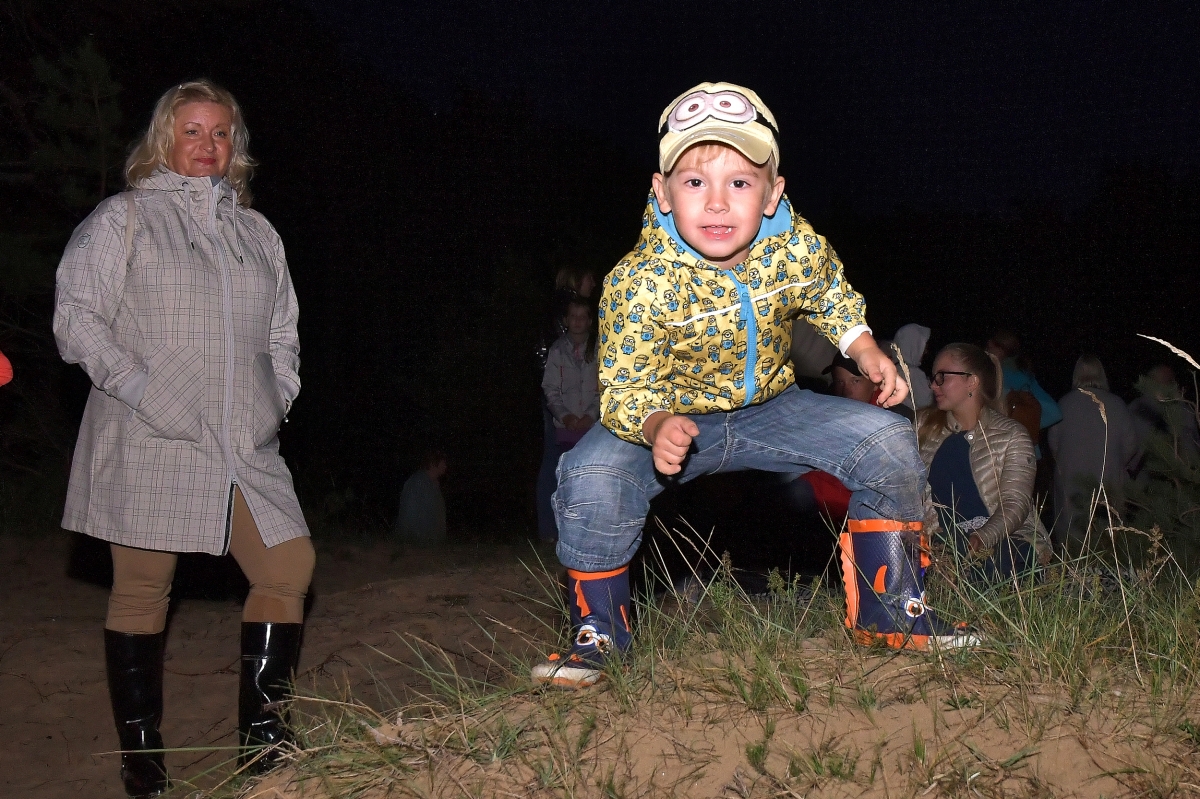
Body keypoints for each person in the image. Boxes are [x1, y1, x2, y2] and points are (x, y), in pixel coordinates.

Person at [533, 82, 976, 689]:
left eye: (740, 183)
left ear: (772, 194)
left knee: (887, 440)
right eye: (695, 182)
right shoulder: (638, 281)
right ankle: (599, 636)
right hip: (672, 417)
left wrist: (863, 346)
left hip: (773, 407)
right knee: (590, 472)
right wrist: (655, 424)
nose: (717, 203)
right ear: (661, 192)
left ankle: (892, 613)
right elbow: (626, 383)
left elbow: (830, 291)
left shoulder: (792, 246)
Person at [52, 80, 313, 796]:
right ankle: (144, 764)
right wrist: (140, 387)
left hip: (243, 441)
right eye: (192, 130)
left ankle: (263, 748)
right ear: (165, 138)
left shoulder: (258, 235)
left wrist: (276, 398)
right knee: (143, 587)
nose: (207, 144)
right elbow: (75, 316)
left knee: (288, 565)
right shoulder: (125, 219)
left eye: (220, 133)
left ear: (236, 147)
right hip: (147, 433)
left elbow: (283, 334)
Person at [917, 344, 1050, 584]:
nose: (933, 385)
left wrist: (982, 537)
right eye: (933, 377)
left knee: (1001, 561)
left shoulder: (1011, 435)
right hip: (942, 542)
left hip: (1003, 539)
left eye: (942, 377)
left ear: (972, 382)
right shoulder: (923, 427)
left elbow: (1015, 503)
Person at [1047, 356, 1138, 549]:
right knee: (1108, 533)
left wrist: (1065, 462)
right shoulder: (1117, 404)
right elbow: (1131, 444)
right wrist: (1118, 464)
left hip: (1071, 480)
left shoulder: (1064, 404)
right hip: (1108, 479)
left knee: (1072, 533)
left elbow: (1053, 443)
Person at [536, 266, 597, 541]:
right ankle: (551, 531)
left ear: (590, 320)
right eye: (572, 317)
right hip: (563, 424)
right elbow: (550, 386)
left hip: (591, 426)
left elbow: (604, 387)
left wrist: (591, 415)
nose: (577, 321)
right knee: (557, 474)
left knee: (588, 477)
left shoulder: (598, 349)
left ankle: (585, 532)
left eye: (582, 317)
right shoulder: (557, 348)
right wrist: (564, 415)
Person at [985, 330, 1063, 441]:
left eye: (988, 347)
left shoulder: (995, 377)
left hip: (1003, 445)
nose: (985, 352)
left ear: (996, 347)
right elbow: (1054, 413)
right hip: (1026, 445)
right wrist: (1027, 425)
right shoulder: (1025, 375)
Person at [395, 450, 449, 547]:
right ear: (433, 463)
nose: (445, 466)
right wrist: (415, 539)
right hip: (417, 542)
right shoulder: (417, 482)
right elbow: (409, 514)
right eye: (443, 463)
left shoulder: (434, 485)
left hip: (432, 543)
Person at [892, 323, 934, 410]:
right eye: (923, 347)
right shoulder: (913, 373)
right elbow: (926, 403)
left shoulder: (893, 369)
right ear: (914, 346)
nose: (925, 351)